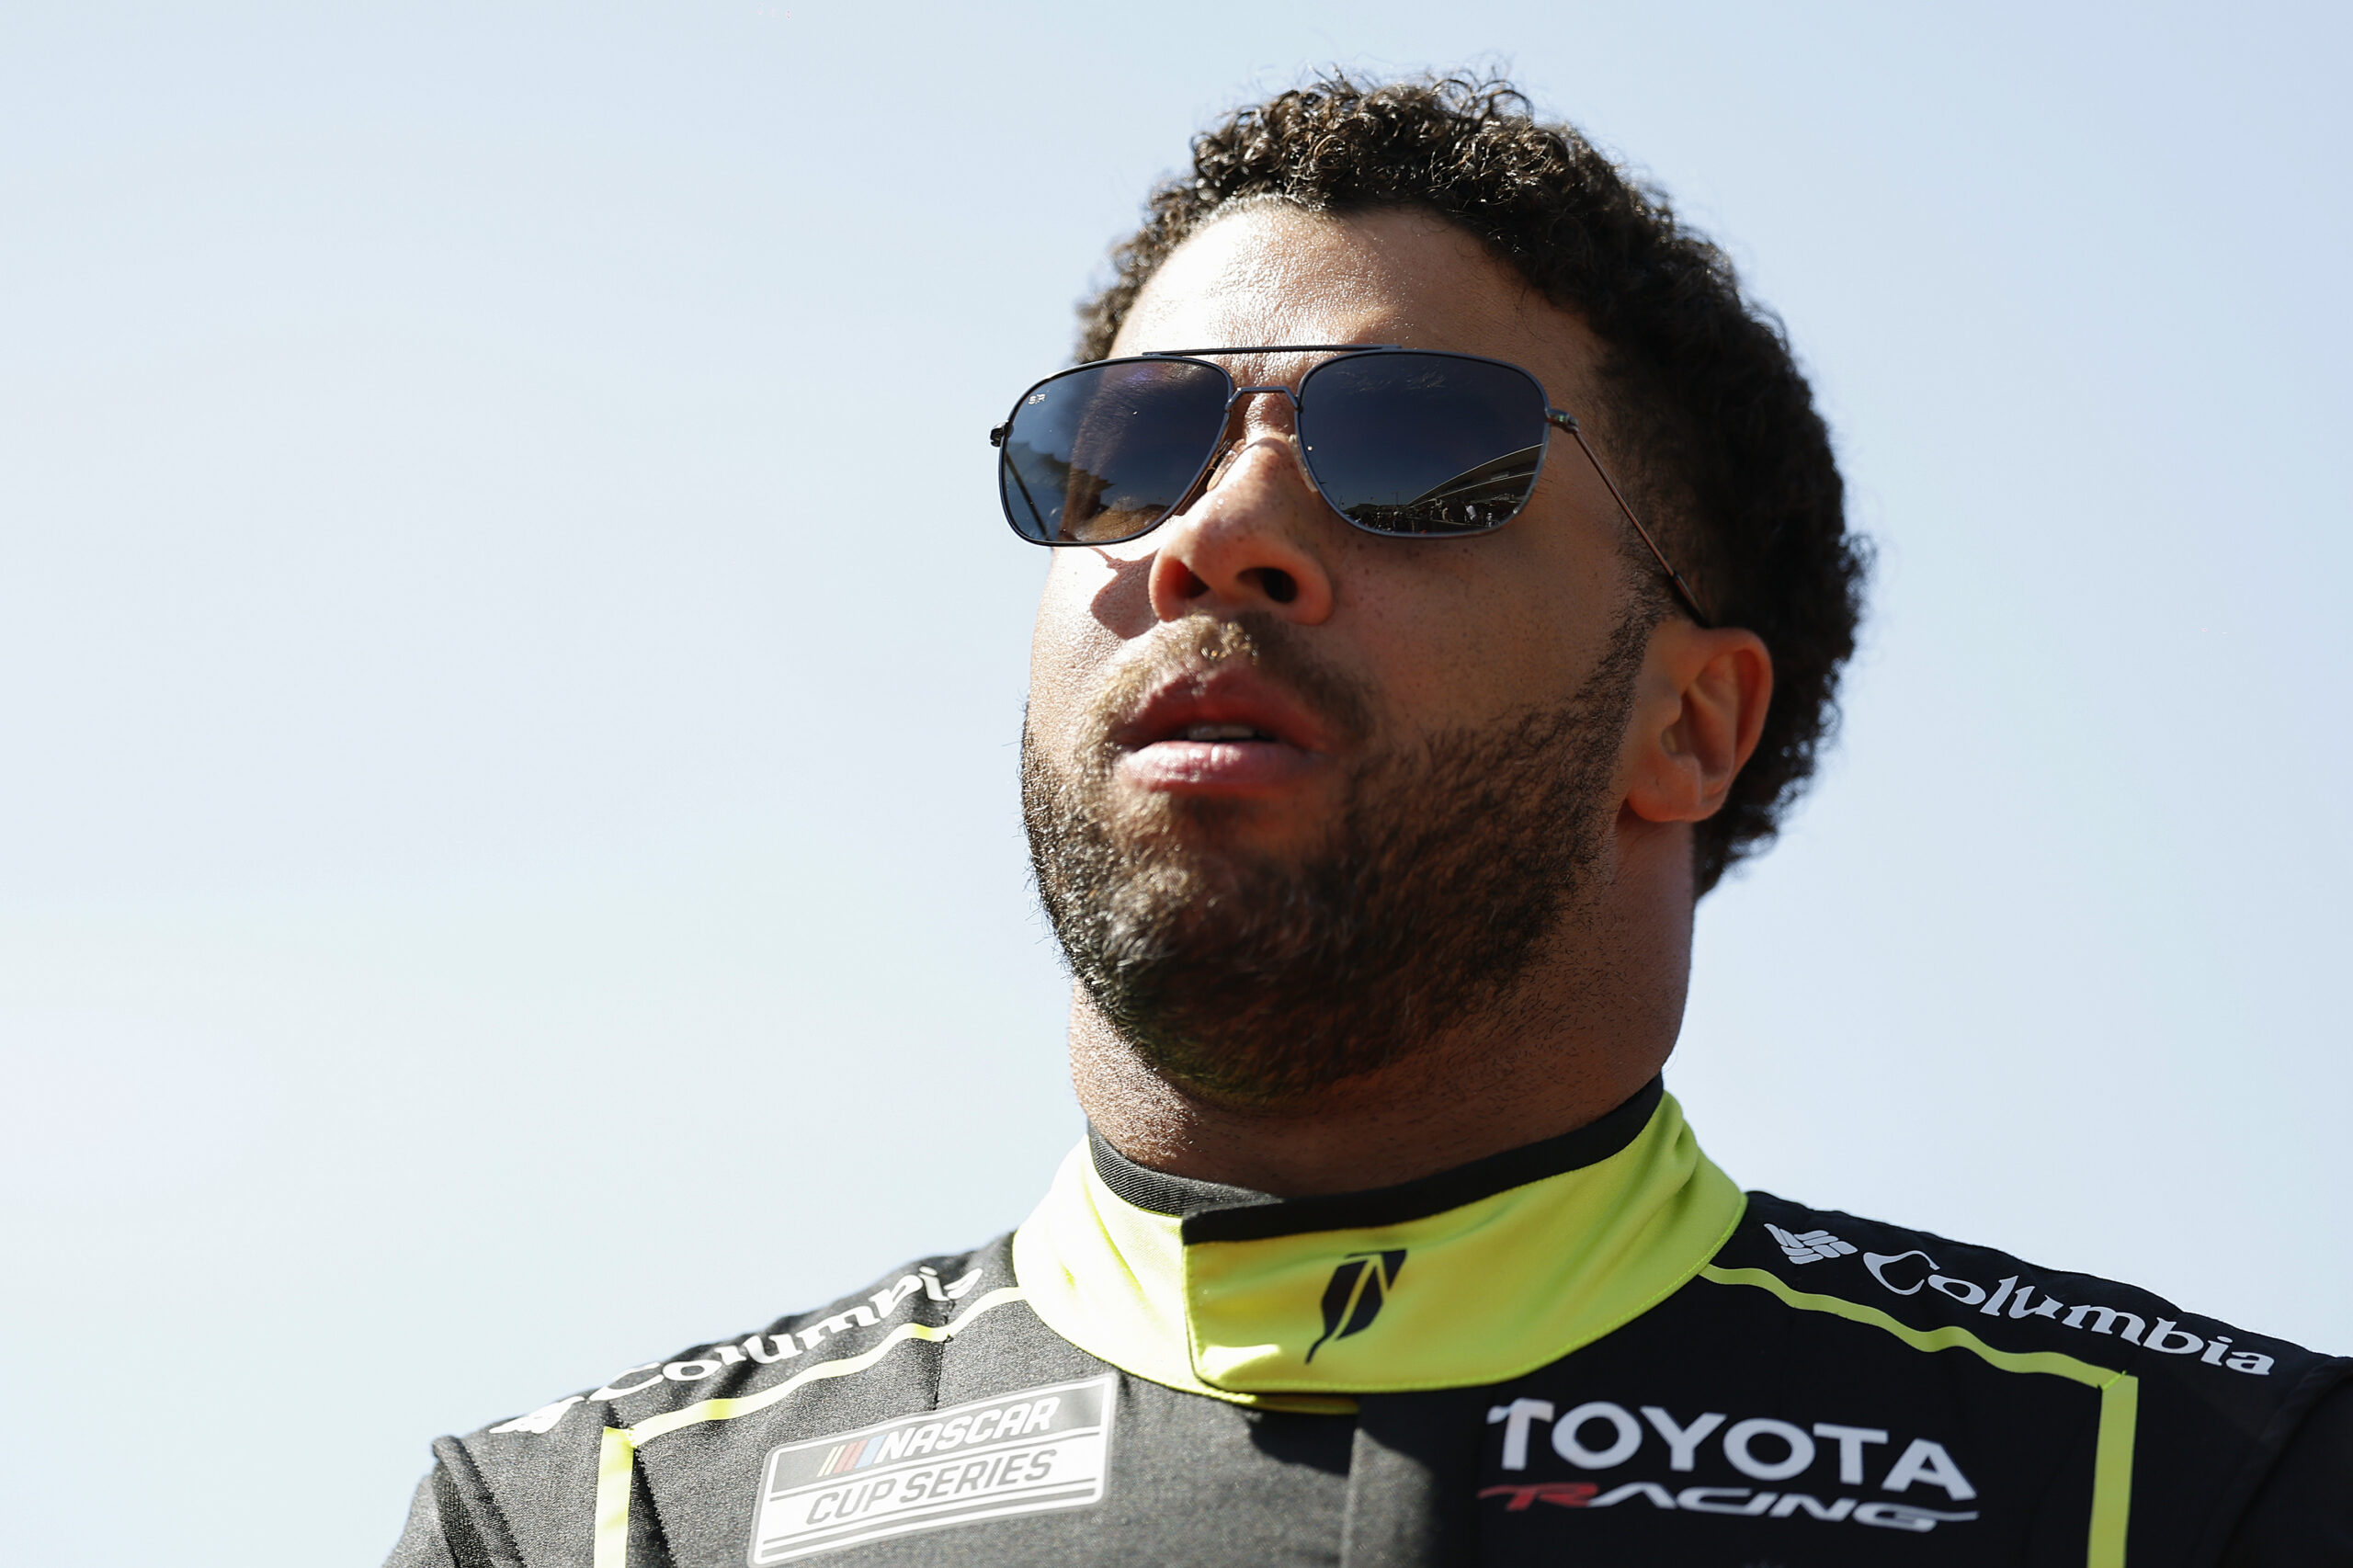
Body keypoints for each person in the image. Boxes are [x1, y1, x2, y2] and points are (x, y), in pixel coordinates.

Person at [384, 75, 2348, 1568]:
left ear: (1686, 720)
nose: (1213, 538)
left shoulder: (2180, 1488)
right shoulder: (596, 1522)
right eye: (1124, 450)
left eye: (1409, 448)